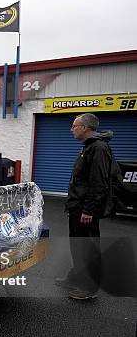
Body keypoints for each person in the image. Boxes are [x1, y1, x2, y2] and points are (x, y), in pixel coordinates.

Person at [57, 113, 113, 300]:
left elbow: (99, 182)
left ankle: (88, 288)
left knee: (87, 248)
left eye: (74, 126)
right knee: (78, 246)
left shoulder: (98, 148)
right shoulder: (88, 147)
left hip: (85, 209)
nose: (71, 129)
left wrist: (89, 209)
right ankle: (76, 278)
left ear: (86, 128)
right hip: (77, 207)